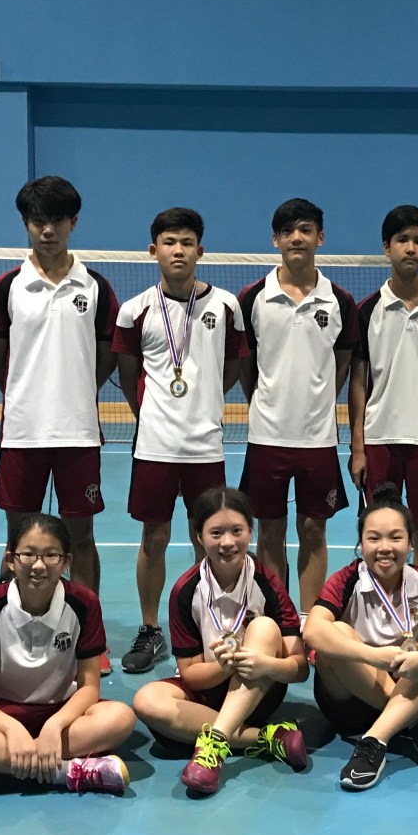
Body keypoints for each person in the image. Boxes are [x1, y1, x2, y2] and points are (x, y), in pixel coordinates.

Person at [0, 176, 117, 674]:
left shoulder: (96, 288)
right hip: (23, 432)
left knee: (81, 538)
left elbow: (105, 355)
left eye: (56, 220)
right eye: (38, 221)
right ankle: (7, 630)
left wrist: (74, 390)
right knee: (18, 541)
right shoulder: (7, 288)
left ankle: (91, 641)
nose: (47, 230)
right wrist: (28, 392)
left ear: (73, 223)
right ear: (26, 223)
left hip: (77, 432)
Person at [112, 208, 248, 672]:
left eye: (187, 243)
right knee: (154, 537)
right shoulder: (135, 310)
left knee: (207, 539)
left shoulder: (226, 307)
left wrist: (204, 403)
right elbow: (128, 374)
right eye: (169, 242)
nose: (178, 251)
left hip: (205, 445)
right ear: (153, 250)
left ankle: (204, 625)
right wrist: (151, 415)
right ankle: (152, 630)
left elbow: (232, 368)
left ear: (200, 251)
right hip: (154, 446)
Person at [0, 514, 135, 798]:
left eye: (50, 555)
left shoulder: (84, 603)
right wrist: (11, 729)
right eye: (28, 554)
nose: (38, 565)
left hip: (61, 712)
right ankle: (66, 771)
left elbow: (89, 688)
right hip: (1, 714)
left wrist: (55, 725)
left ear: (66, 561)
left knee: (120, 718)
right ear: (11, 560)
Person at [132, 488, 309, 796]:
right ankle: (267, 738)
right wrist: (223, 668)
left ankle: (212, 747)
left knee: (264, 627)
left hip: (257, 690)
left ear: (251, 531)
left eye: (237, 531)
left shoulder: (267, 583)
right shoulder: (185, 590)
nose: (227, 542)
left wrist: (266, 664)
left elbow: (300, 668)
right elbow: (191, 675)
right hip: (208, 691)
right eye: (216, 533)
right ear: (199, 537)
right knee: (146, 700)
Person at [305, 484, 418, 791]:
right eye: (374, 538)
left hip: (413, 687)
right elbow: (313, 630)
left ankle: (374, 740)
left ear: (410, 542)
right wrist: (373, 656)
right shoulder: (347, 579)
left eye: (395, 537)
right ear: (361, 543)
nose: (385, 547)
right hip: (353, 703)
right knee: (336, 634)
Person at [238, 198, 356, 612]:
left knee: (313, 530)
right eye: (287, 231)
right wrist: (265, 400)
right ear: (276, 240)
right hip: (267, 436)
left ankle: (309, 620)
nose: (296, 238)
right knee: (269, 530)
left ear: (320, 238)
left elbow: (342, 362)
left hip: (318, 439)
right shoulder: (253, 298)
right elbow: (246, 365)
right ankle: (278, 616)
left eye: (305, 230)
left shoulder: (339, 301)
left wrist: (318, 400)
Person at [349, 206, 418, 576]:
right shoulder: (367, 310)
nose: (411, 248)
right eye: (402, 240)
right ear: (387, 247)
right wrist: (358, 447)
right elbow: (358, 382)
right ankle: (380, 602)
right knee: (377, 530)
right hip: (379, 439)